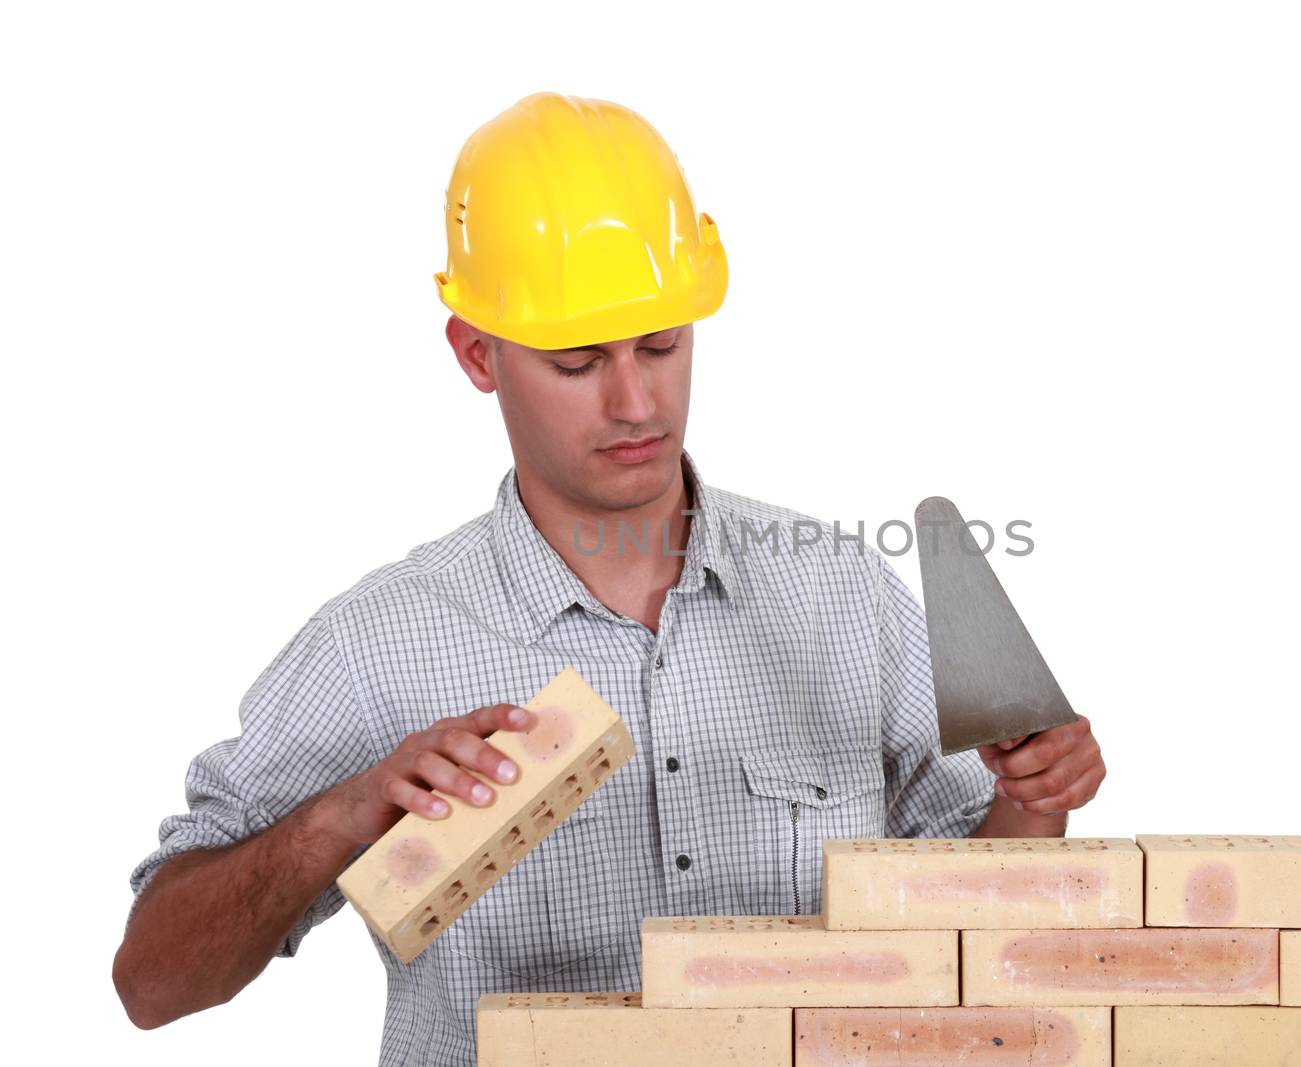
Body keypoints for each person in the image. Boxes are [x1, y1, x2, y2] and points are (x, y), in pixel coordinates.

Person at [112, 91, 1106, 1066]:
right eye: (579, 359)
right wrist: (338, 816)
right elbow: (153, 982)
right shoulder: (375, 647)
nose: (635, 400)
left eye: (661, 344)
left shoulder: (841, 596)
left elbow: (976, 934)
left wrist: (1034, 801)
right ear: (477, 355)